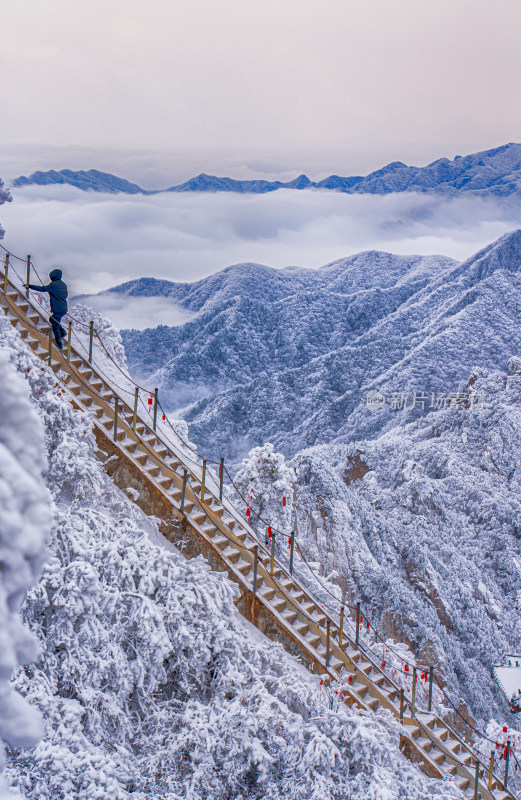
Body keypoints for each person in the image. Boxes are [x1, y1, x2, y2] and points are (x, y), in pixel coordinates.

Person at [25, 269, 68, 350]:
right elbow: (66, 295)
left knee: (55, 325)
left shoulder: (53, 285)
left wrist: (30, 286)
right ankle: (62, 332)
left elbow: (42, 289)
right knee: (52, 319)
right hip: (64, 308)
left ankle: (59, 345)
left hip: (57, 309)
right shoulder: (64, 285)